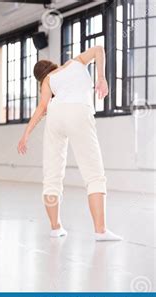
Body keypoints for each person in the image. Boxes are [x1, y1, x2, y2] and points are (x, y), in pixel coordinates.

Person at [17, 46, 122, 241]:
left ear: (40, 78)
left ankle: (55, 227)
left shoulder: (47, 81)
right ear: (54, 65)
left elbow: (42, 108)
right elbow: (99, 49)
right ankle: (100, 231)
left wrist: (26, 134)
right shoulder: (75, 62)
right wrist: (101, 77)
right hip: (78, 111)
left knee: (52, 175)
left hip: (55, 116)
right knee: (94, 174)